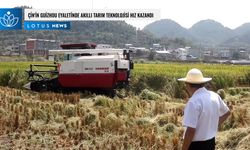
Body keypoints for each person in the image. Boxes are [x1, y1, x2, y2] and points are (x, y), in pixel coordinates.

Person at [178, 68, 230, 150]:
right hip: (211, 142)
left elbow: (190, 130)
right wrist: (215, 125)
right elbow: (227, 112)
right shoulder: (214, 96)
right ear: (202, 83)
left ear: (187, 85)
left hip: (196, 145)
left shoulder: (193, 102)